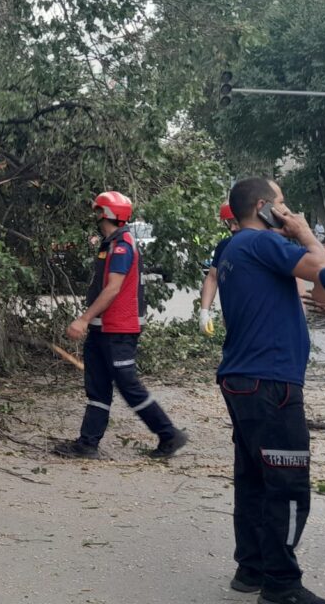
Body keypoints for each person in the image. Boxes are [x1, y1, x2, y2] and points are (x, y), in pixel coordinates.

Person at [216, 178, 325, 604]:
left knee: (254, 480)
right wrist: (305, 234)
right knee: (286, 482)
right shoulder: (262, 242)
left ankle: (251, 568)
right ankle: (281, 584)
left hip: (243, 378)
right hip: (271, 382)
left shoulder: (233, 247)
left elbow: (319, 288)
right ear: (264, 206)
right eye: (282, 203)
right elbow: (322, 271)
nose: (288, 210)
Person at [55, 191, 188, 460]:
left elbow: (113, 289)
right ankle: (87, 443)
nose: (95, 216)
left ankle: (169, 434)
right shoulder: (110, 243)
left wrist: (83, 319)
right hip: (102, 329)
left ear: (106, 214)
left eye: (97, 211)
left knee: (129, 385)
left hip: (118, 331)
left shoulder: (122, 245)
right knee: (97, 387)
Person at [198, 201, 241, 336]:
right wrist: (204, 311)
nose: (232, 228)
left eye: (236, 222)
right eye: (229, 223)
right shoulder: (224, 246)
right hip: (232, 320)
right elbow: (212, 278)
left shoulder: (264, 245)